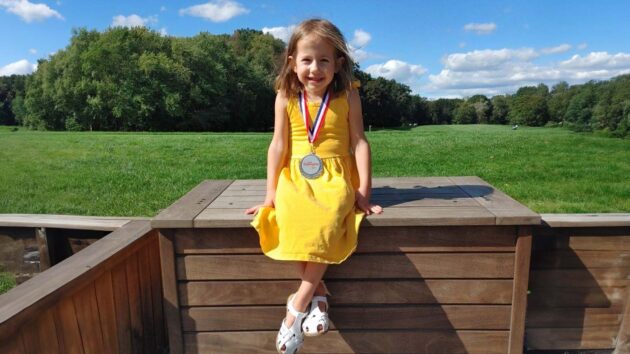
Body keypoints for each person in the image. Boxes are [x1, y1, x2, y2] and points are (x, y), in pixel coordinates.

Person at [245, 18, 382, 354]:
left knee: (332, 214)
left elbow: (360, 143)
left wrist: (364, 191)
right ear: (292, 63)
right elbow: (277, 145)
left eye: (324, 60)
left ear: (338, 63)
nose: (315, 69)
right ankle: (318, 295)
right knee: (290, 215)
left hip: (335, 175)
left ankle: (296, 306)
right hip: (294, 175)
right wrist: (270, 194)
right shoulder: (285, 96)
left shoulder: (348, 96)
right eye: (307, 60)